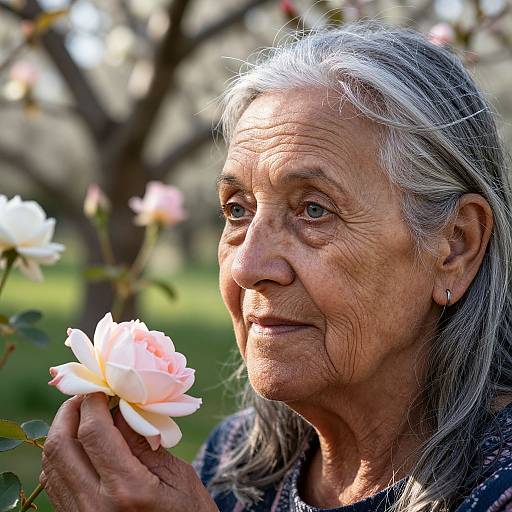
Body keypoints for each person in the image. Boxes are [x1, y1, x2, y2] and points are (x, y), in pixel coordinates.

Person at [40, 22, 512, 512]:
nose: (247, 266)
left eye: (313, 210)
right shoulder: (236, 460)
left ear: (454, 247)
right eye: (237, 210)